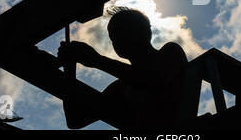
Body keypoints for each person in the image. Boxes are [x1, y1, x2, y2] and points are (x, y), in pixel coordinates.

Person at [58, 7, 188, 129]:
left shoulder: (171, 52)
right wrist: (69, 69)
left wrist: (96, 60)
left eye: (122, 30)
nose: (116, 38)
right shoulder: (120, 88)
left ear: (145, 30)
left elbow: (154, 79)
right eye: (112, 35)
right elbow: (75, 119)